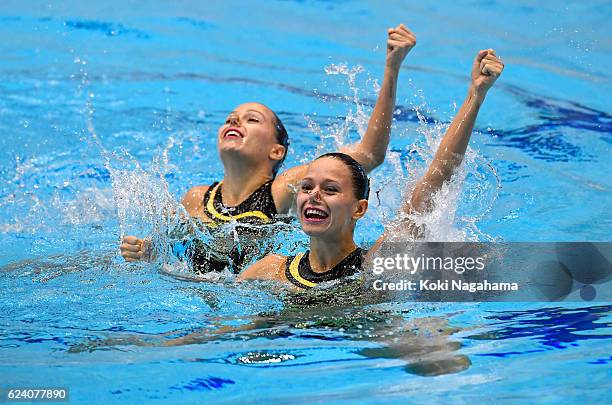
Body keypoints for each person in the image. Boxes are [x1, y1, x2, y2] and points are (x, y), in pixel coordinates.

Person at [120, 24, 417, 273]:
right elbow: (172, 249)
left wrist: (392, 68)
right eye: (230, 118)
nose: (236, 121)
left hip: (255, 293)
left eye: (252, 119)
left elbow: (370, 154)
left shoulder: (284, 189)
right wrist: (149, 250)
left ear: (276, 151)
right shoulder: (197, 198)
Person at [238, 49, 504, 288]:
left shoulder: (375, 267)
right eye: (307, 187)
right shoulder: (272, 271)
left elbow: (438, 177)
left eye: (330, 189)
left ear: (360, 208)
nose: (314, 195)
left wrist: (476, 95)